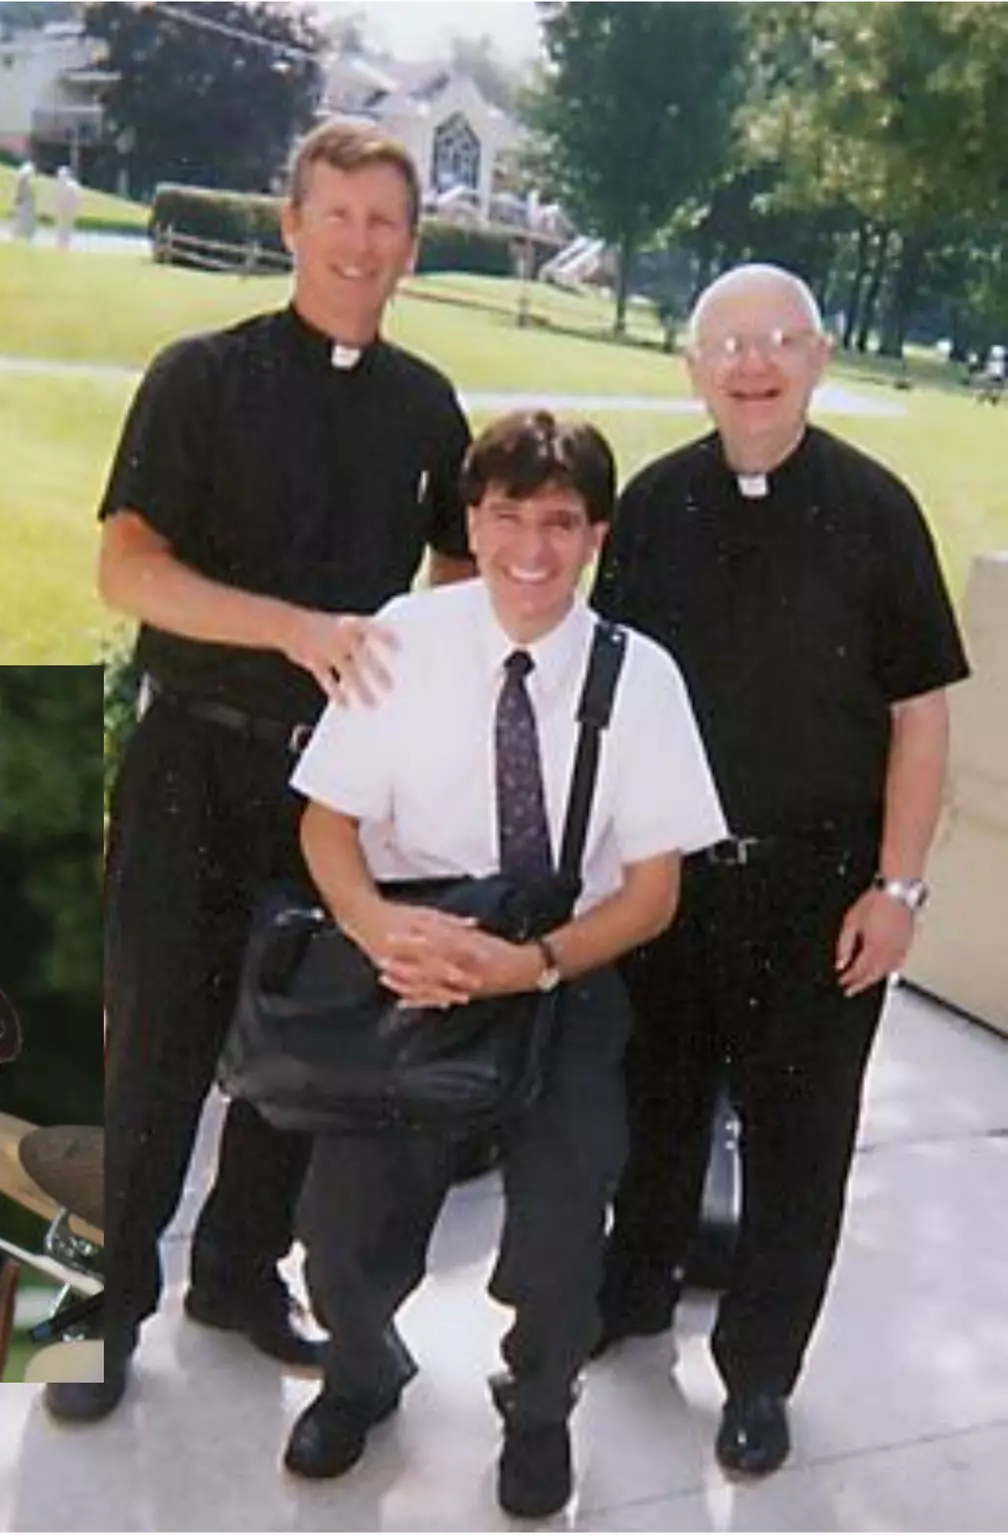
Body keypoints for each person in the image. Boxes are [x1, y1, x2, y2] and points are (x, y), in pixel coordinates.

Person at [54, 120, 477, 1424]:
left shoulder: (426, 407)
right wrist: (295, 628)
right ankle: (102, 1307)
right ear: (290, 224)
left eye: (384, 223)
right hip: (193, 759)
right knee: (156, 1051)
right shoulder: (201, 377)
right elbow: (127, 569)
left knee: (300, 1052)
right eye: (337, 216)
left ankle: (237, 1277)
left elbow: (457, 575)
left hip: (335, 789)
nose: (360, 244)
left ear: (412, 245)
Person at [284, 410, 728, 1517]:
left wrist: (524, 967)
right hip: (410, 955)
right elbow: (326, 826)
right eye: (504, 518)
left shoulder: (641, 679)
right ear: (470, 523)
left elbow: (650, 894)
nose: (529, 552)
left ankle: (536, 1410)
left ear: (595, 537)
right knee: (338, 1238)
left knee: (565, 1227)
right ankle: (361, 1370)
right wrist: (378, 931)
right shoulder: (401, 636)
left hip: (558, 969)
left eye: (559, 523)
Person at [592, 263, 969, 1474]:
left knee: (798, 1145)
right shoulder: (651, 504)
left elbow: (919, 716)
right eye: (725, 344)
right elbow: (605, 701)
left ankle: (757, 1375)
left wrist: (898, 889)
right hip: (669, 882)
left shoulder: (875, 510)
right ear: (693, 368)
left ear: (814, 358)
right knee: (649, 1110)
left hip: (821, 896)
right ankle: (631, 1291)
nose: (749, 364)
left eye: (774, 342)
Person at [52, 164, 79, 248]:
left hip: (69, 209)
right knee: (61, 225)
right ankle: (60, 242)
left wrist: (73, 207)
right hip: (62, 208)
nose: (60, 177)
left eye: (62, 176)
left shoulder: (72, 185)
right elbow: (57, 196)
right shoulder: (60, 184)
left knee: (66, 226)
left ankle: (65, 242)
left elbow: (75, 198)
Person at [13, 160, 38, 242]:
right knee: (22, 220)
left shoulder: (28, 181)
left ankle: (26, 236)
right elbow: (20, 192)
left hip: (27, 203)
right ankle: (19, 235)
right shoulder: (23, 181)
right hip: (25, 203)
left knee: (26, 220)